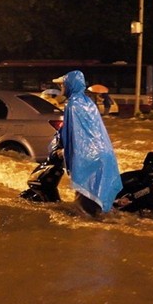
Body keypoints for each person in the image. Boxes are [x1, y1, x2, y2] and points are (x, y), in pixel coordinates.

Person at [52, 70, 122, 217]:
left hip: (89, 160)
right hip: (103, 156)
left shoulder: (72, 104)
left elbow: (73, 133)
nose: (61, 89)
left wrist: (62, 150)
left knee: (85, 212)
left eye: (63, 85)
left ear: (70, 85)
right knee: (98, 206)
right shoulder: (88, 102)